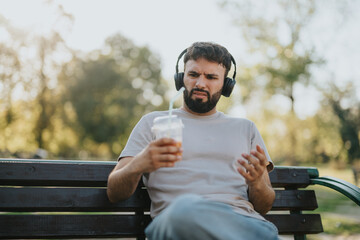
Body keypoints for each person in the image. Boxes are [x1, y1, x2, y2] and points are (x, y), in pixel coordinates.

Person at [107, 42, 279, 240]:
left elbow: (264, 207)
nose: (200, 84)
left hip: (242, 223)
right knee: (185, 209)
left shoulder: (246, 129)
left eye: (211, 77)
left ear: (226, 85)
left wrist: (257, 183)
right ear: (181, 79)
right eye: (193, 74)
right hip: (177, 223)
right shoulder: (153, 123)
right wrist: (139, 163)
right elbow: (114, 192)